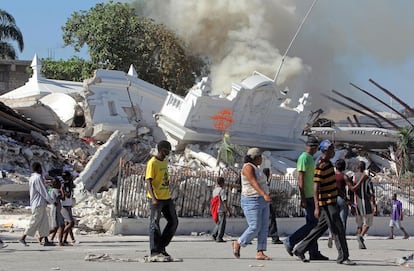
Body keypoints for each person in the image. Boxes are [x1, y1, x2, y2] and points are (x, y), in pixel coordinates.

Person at [293, 140, 355, 265]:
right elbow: (316, 187)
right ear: (325, 151)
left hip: (331, 201)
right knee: (338, 228)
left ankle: (300, 249)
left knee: (319, 229)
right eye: (331, 149)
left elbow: (332, 184)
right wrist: (317, 206)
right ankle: (343, 256)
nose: (333, 152)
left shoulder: (329, 164)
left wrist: (343, 197)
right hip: (326, 203)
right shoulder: (321, 165)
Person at [284, 136, 328, 261]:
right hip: (308, 196)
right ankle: (291, 240)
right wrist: (302, 197)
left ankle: (313, 252)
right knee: (313, 225)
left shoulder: (310, 159)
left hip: (311, 196)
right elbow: (300, 179)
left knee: (314, 226)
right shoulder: (304, 158)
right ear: (313, 147)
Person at [232, 148, 272, 261]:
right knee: (255, 226)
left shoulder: (256, 168)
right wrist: (264, 194)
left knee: (264, 227)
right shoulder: (248, 167)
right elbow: (253, 182)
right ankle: (239, 242)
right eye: (260, 157)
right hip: (252, 200)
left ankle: (260, 251)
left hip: (262, 200)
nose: (261, 160)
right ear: (255, 157)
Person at [146, 140, 178, 260]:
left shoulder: (164, 162)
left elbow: (163, 177)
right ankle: (154, 250)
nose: (167, 154)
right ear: (160, 150)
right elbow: (148, 181)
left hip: (166, 197)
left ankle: (161, 246)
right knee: (154, 224)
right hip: (156, 199)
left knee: (173, 222)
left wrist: (167, 182)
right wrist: (153, 198)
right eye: (166, 151)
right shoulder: (152, 163)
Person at [19, 162, 54, 246]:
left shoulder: (32, 177)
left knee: (44, 222)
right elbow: (43, 191)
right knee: (34, 221)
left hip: (39, 203)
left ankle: (46, 240)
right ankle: (23, 237)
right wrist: (52, 201)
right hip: (38, 203)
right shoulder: (38, 178)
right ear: (39, 168)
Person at [327, 159, 354, 248]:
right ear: (344, 167)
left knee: (333, 219)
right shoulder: (344, 176)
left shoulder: (331, 176)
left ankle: (331, 234)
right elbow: (351, 188)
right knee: (342, 221)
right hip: (342, 199)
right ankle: (341, 238)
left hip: (332, 198)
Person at [352, 161, 376, 249]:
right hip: (365, 203)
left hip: (356, 204)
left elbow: (350, 191)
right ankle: (361, 236)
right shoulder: (367, 178)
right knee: (368, 222)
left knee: (359, 224)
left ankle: (360, 242)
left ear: (357, 167)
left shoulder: (353, 177)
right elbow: (372, 192)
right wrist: (374, 204)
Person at [263, 168, 283, 244]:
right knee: (271, 219)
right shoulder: (264, 181)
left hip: (264, 202)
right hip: (266, 202)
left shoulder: (264, 180)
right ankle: (274, 237)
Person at [211, 176, 231, 242]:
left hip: (216, 208)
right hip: (221, 209)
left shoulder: (215, 190)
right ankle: (219, 237)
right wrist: (227, 210)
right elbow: (224, 200)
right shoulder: (222, 191)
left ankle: (214, 234)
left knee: (219, 223)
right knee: (222, 224)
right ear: (223, 183)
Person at [61, 171, 77, 245]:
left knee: (67, 223)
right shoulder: (65, 185)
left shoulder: (67, 185)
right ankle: (60, 236)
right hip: (64, 206)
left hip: (68, 205)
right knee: (71, 223)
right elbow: (67, 195)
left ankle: (64, 239)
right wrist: (69, 189)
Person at [48, 176, 65, 246]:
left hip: (57, 209)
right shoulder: (56, 190)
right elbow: (62, 198)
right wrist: (62, 190)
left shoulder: (51, 190)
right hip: (55, 209)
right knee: (55, 227)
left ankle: (60, 241)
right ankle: (42, 236)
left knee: (61, 225)